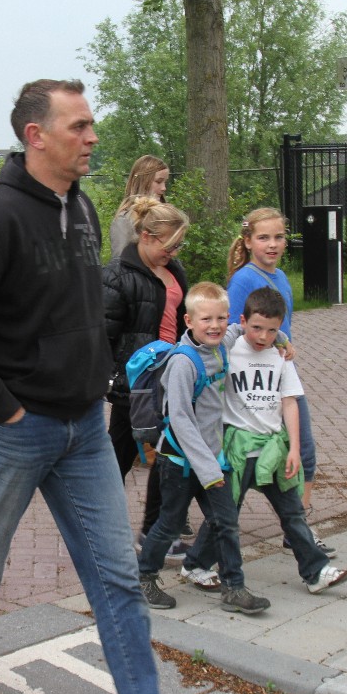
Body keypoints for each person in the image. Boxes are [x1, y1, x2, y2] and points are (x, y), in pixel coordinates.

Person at [0, 79, 225, 694]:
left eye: (90, 125)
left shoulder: (81, 208)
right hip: (14, 431)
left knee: (117, 580)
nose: (92, 136)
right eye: (78, 126)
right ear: (36, 135)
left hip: (83, 429)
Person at [136, 281, 269, 614]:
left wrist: (279, 339)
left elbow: (241, 329)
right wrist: (209, 470)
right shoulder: (183, 363)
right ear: (189, 321)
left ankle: (234, 588)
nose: (215, 326)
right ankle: (143, 577)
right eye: (206, 319)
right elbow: (180, 420)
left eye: (220, 318)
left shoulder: (220, 345)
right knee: (169, 524)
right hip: (180, 462)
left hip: (212, 459)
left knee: (225, 522)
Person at [220, 287, 347, 595]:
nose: (263, 336)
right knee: (226, 515)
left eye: (272, 330)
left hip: (272, 448)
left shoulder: (281, 354)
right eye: (256, 328)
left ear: (280, 328)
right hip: (238, 449)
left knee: (292, 511)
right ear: (243, 321)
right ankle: (196, 563)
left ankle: (316, 572)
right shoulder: (229, 350)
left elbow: (290, 401)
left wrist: (294, 448)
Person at [225, 207, 334, 557]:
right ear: (247, 241)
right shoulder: (243, 279)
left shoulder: (283, 276)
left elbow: (281, 325)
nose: (272, 244)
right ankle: (221, 530)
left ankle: (298, 527)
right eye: (263, 238)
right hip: (255, 382)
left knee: (304, 451)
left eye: (279, 237)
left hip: (283, 372)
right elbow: (233, 330)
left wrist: (284, 342)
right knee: (247, 463)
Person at [101, 196, 198, 556]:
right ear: (145, 236)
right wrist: (114, 380)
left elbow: (184, 318)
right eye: (169, 245)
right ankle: (99, 527)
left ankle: (156, 532)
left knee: (168, 453)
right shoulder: (117, 275)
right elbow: (103, 335)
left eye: (178, 245)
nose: (174, 252)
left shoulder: (174, 269)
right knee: (118, 456)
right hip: (136, 385)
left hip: (171, 378)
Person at [109, 155, 169, 259]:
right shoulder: (125, 220)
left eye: (165, 182)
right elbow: (120, 262)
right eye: (158, 182)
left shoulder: (164, 216)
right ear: (143, 181)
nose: (164, 188)